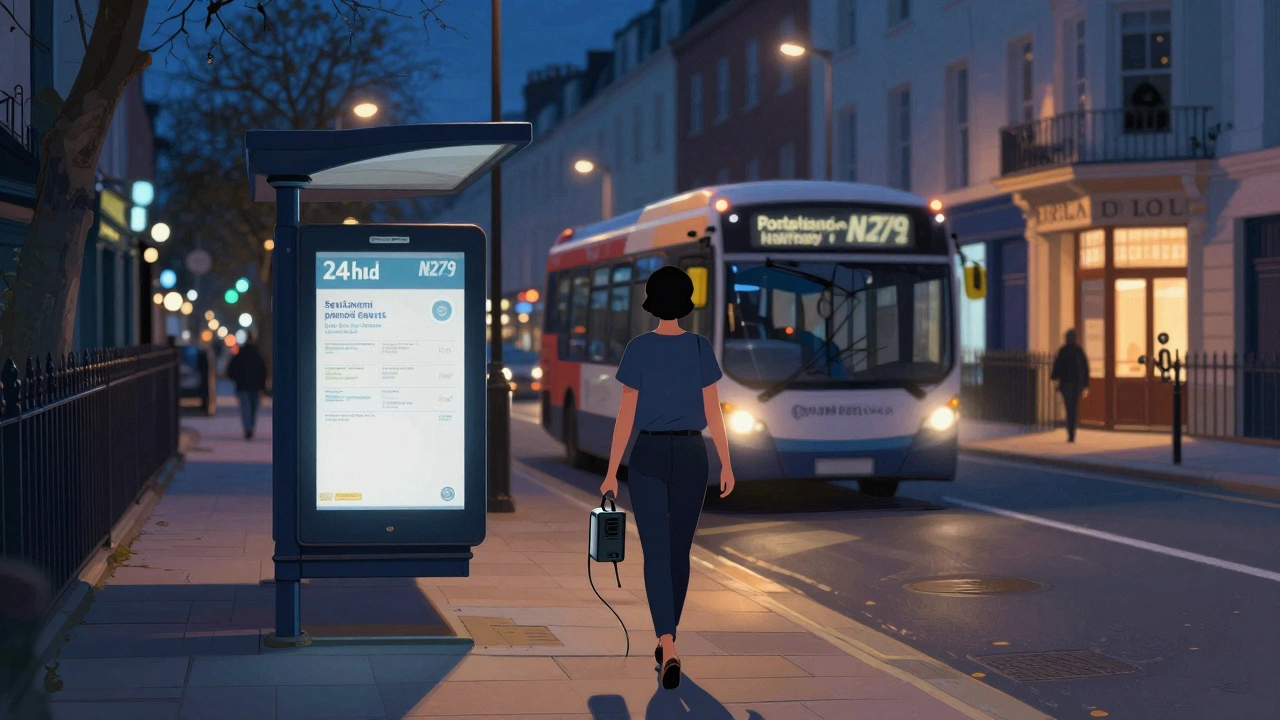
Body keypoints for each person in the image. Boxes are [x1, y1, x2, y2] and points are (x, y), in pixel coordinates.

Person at [600, 265, 735, 691]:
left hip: (648, 455)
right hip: (694, 454)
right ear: (686, 302)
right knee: (680, 553)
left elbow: (626, 414)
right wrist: (727, 462)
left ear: (652, 302)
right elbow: (714, 411)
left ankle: (667, 644)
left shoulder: (638, 349)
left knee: (655, 553)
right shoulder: (699, 347)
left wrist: (610, 471)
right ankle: (669, 640)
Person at [1051, 329, 1090, 442]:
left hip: (1066, 383)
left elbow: (1058, 366)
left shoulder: (1064, 350)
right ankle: (1072, 432)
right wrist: (1085, 383)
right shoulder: (1078, 351)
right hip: (1076, 384)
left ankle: (1070, 432)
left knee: (1069, 408)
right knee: (1074, 408)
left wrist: (1054, 378)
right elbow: (1084, 368)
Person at [226, 334, 268, 440]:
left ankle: (248, 429)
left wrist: (237, 380)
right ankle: (250, 428)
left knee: (246, 409)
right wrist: (262, 386)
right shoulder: (258, 356)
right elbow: (263, 372)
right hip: (255, 387)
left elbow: (231, 370)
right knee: (253, 409)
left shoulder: (240, 355)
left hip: (243, 386)